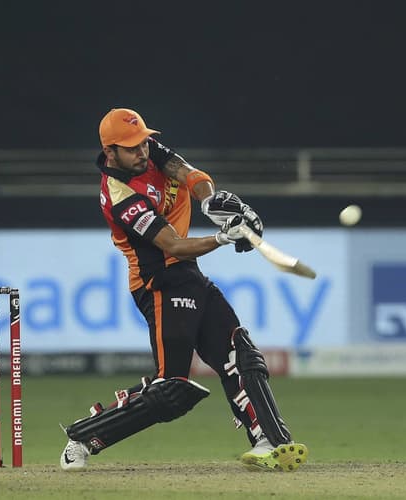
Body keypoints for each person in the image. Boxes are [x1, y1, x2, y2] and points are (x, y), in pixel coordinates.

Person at [59, 108, 308, 472]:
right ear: (110, 151)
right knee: (171, 389)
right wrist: (223, 236)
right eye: (132, 148)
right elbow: (173, 245)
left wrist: (211, 202)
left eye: (144, 143)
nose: (142, 152)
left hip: (189, 275)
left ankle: (271, 443)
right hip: (158, 283)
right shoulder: (120, 196)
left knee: (240, 353)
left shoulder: (147, 151)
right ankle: (83, 437)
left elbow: (192, 175)